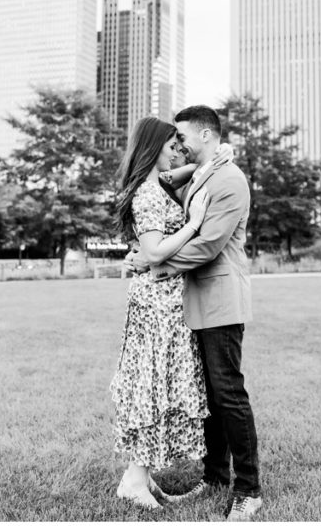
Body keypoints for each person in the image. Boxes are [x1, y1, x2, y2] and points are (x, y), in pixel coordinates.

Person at [126, 105, 262, 521]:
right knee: (211, 396)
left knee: (228, 394)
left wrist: (154, 264)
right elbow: (160, 177)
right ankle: (216, 476)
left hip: (221, 300)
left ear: (205, 135)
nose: (179, 144)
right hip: (195, 301)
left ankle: (248, 489)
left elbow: (208, 244)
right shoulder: (203, 175)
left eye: (183, 137)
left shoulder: (230, 181)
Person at [110, 116, 223, 510]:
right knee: (153, 386)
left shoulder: (158, 184)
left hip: (165, 300)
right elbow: (156, 251)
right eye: (171, 144)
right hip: (158, 303)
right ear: (152, 146)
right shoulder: (148, 193)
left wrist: (218, 155)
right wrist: (193, 224)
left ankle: (138, 477)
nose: (178, 150)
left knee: (158, 384)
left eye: (181, 143)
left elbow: (197, 165)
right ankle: (136, 481)